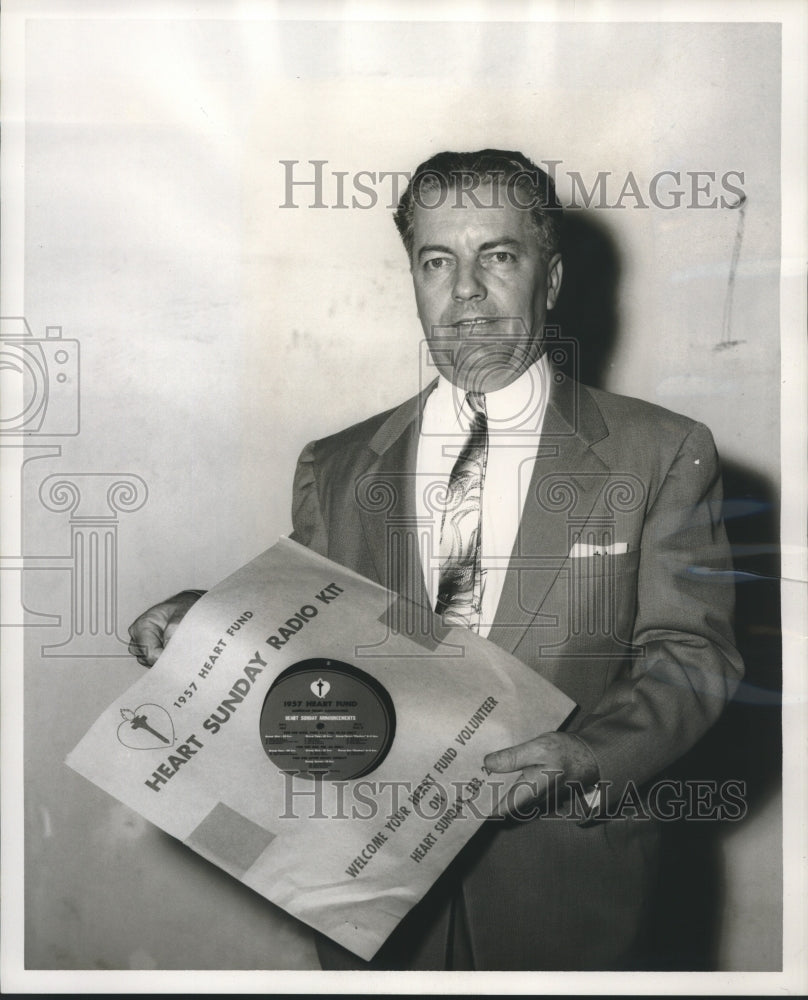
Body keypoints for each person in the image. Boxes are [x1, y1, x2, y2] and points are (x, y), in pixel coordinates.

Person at [129, 149, 743, 971]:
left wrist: (591, 755)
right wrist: (207, 620)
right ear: (414, 279)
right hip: (365, 897)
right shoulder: (336, 465)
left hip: (568, 897)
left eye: (497, 256)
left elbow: (693, 654)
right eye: (437, 261)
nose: (466, 292)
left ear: (550, 280)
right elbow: (314, 652)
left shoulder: (663, 452)